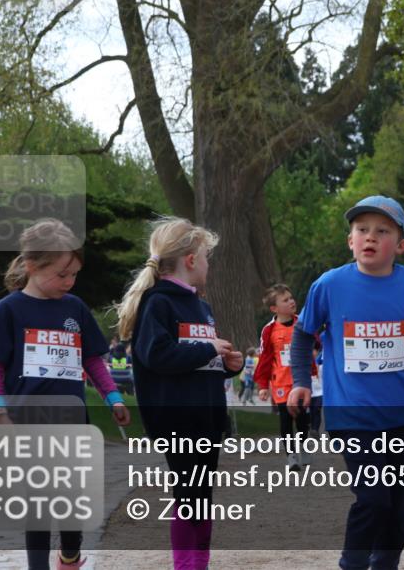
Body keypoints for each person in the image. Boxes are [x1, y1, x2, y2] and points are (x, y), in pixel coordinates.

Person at [287, 196, 404, 570]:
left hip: (401, 416)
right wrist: (301, 381)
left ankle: (385, 564)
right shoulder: (329, 285)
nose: (370, 237)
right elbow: (302, 336)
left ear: (401, 245)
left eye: (382, 231)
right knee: (374, 498)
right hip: (351, 416)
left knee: (396, 503)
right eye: (361, 230)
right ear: (350, 241)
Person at [0, 218, 131, 570]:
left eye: (74, 274)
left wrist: (113, 398)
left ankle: (71, 555)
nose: (69, 282)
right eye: (62, 274)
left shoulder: (74, 308)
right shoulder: (8, 310)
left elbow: (92, 360)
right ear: (32, 266)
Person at [115, 217, 243, 570]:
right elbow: (157, 356)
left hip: (207, 417)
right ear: (190, 259)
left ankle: (198, 563)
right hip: (177, 419)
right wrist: (208, 350)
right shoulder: (158, 303)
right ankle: (186, 564)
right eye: (206, 257)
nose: (208, 265)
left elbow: (200, 362)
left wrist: (230, 363)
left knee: (201, 496)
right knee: (189, 496)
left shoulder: (201, 306)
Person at [256, 283, 313, 468]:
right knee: (285, 419)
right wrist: (263, 385)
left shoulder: (302, 323)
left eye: (291, 298)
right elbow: (264, 358)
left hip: (301, 381)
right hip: (281, 382)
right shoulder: (269, 330)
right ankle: (291, 456)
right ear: (274, 308)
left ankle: (303, 445)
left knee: (303, 419)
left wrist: (315, 352)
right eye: (285, 300)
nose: (291, 302)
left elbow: (316, 342)